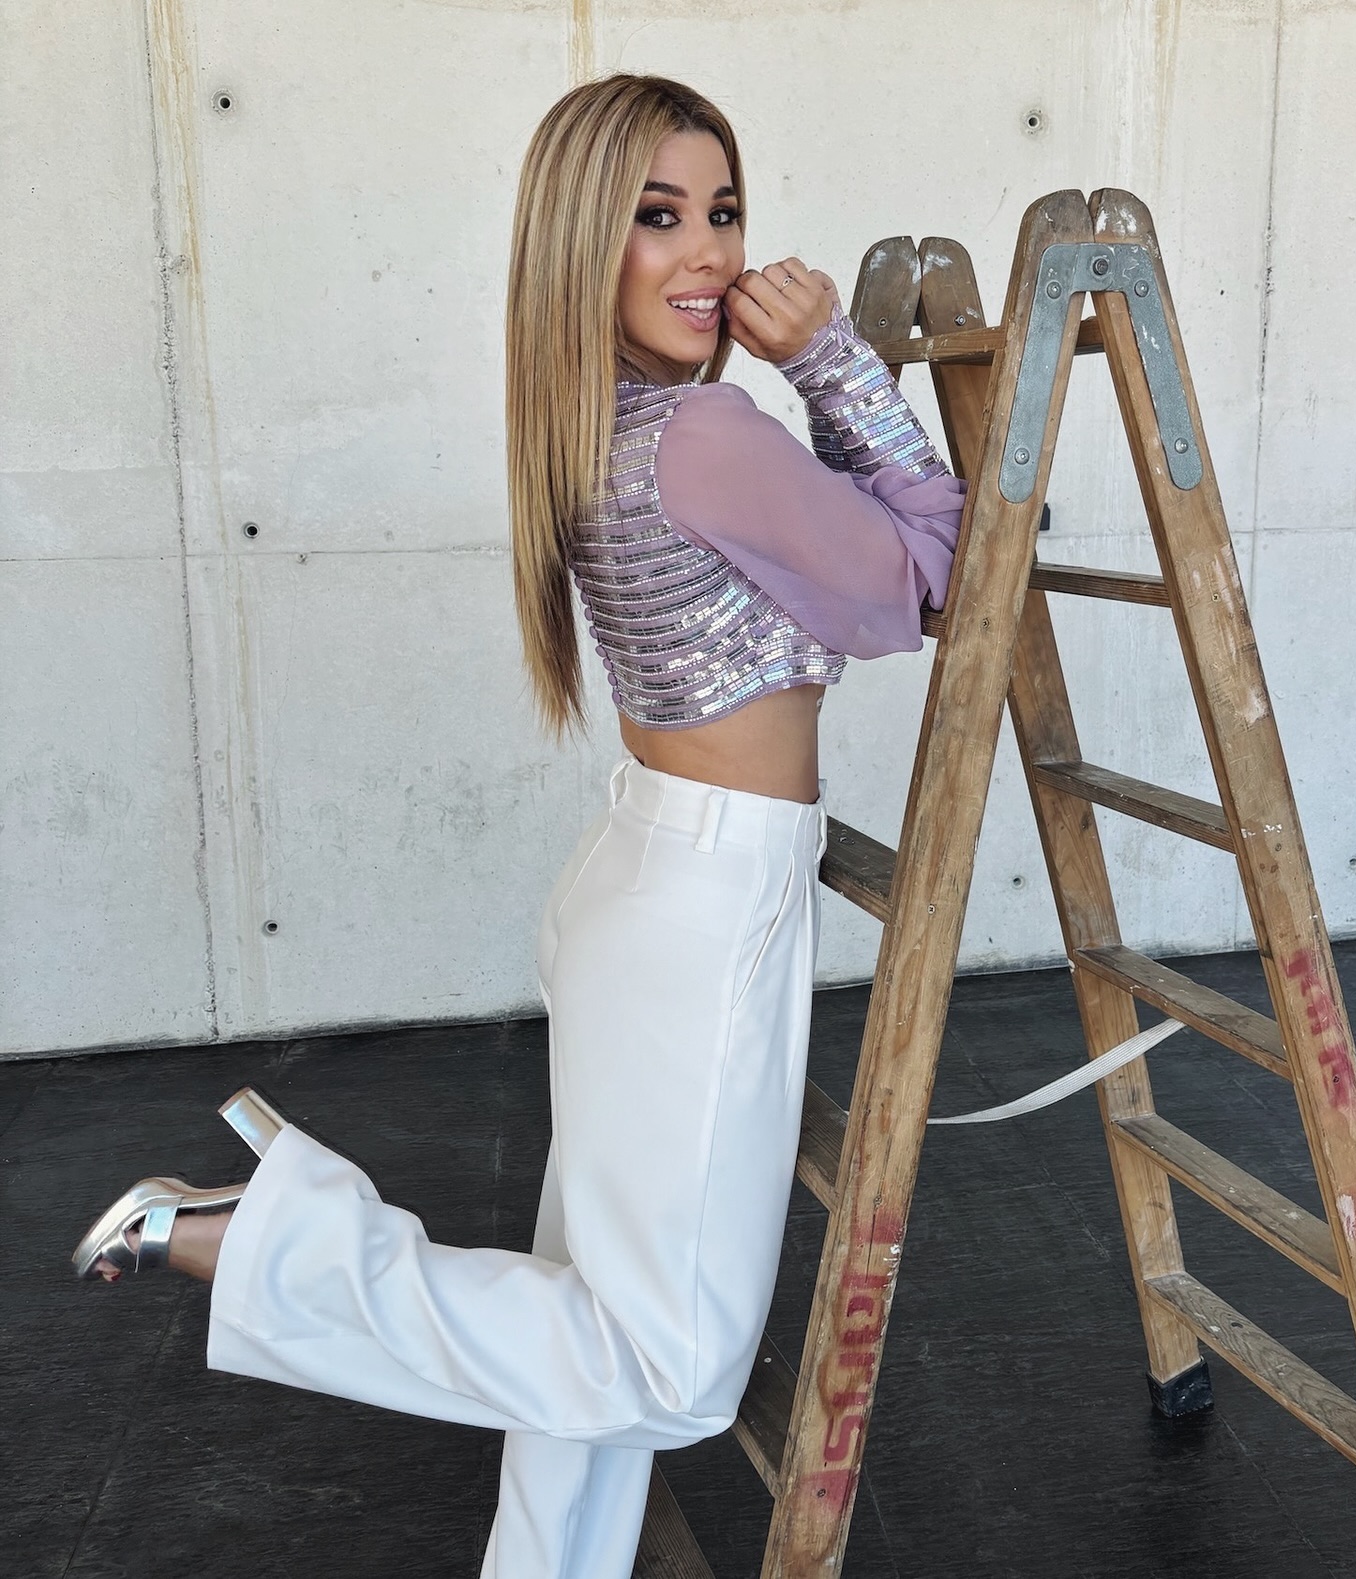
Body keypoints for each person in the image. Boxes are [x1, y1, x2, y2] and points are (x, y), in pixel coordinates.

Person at [71, 73, 965, 1577]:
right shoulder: (705, 435)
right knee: (668, 1370)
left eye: (724, 210)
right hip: (705, 904)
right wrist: (831, 360)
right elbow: (927, 579)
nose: (708, 252)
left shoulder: (602, 426)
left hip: (648, 879)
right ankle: (258, 1238)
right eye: (658, 216)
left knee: (583, 1328)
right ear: (583, 242)